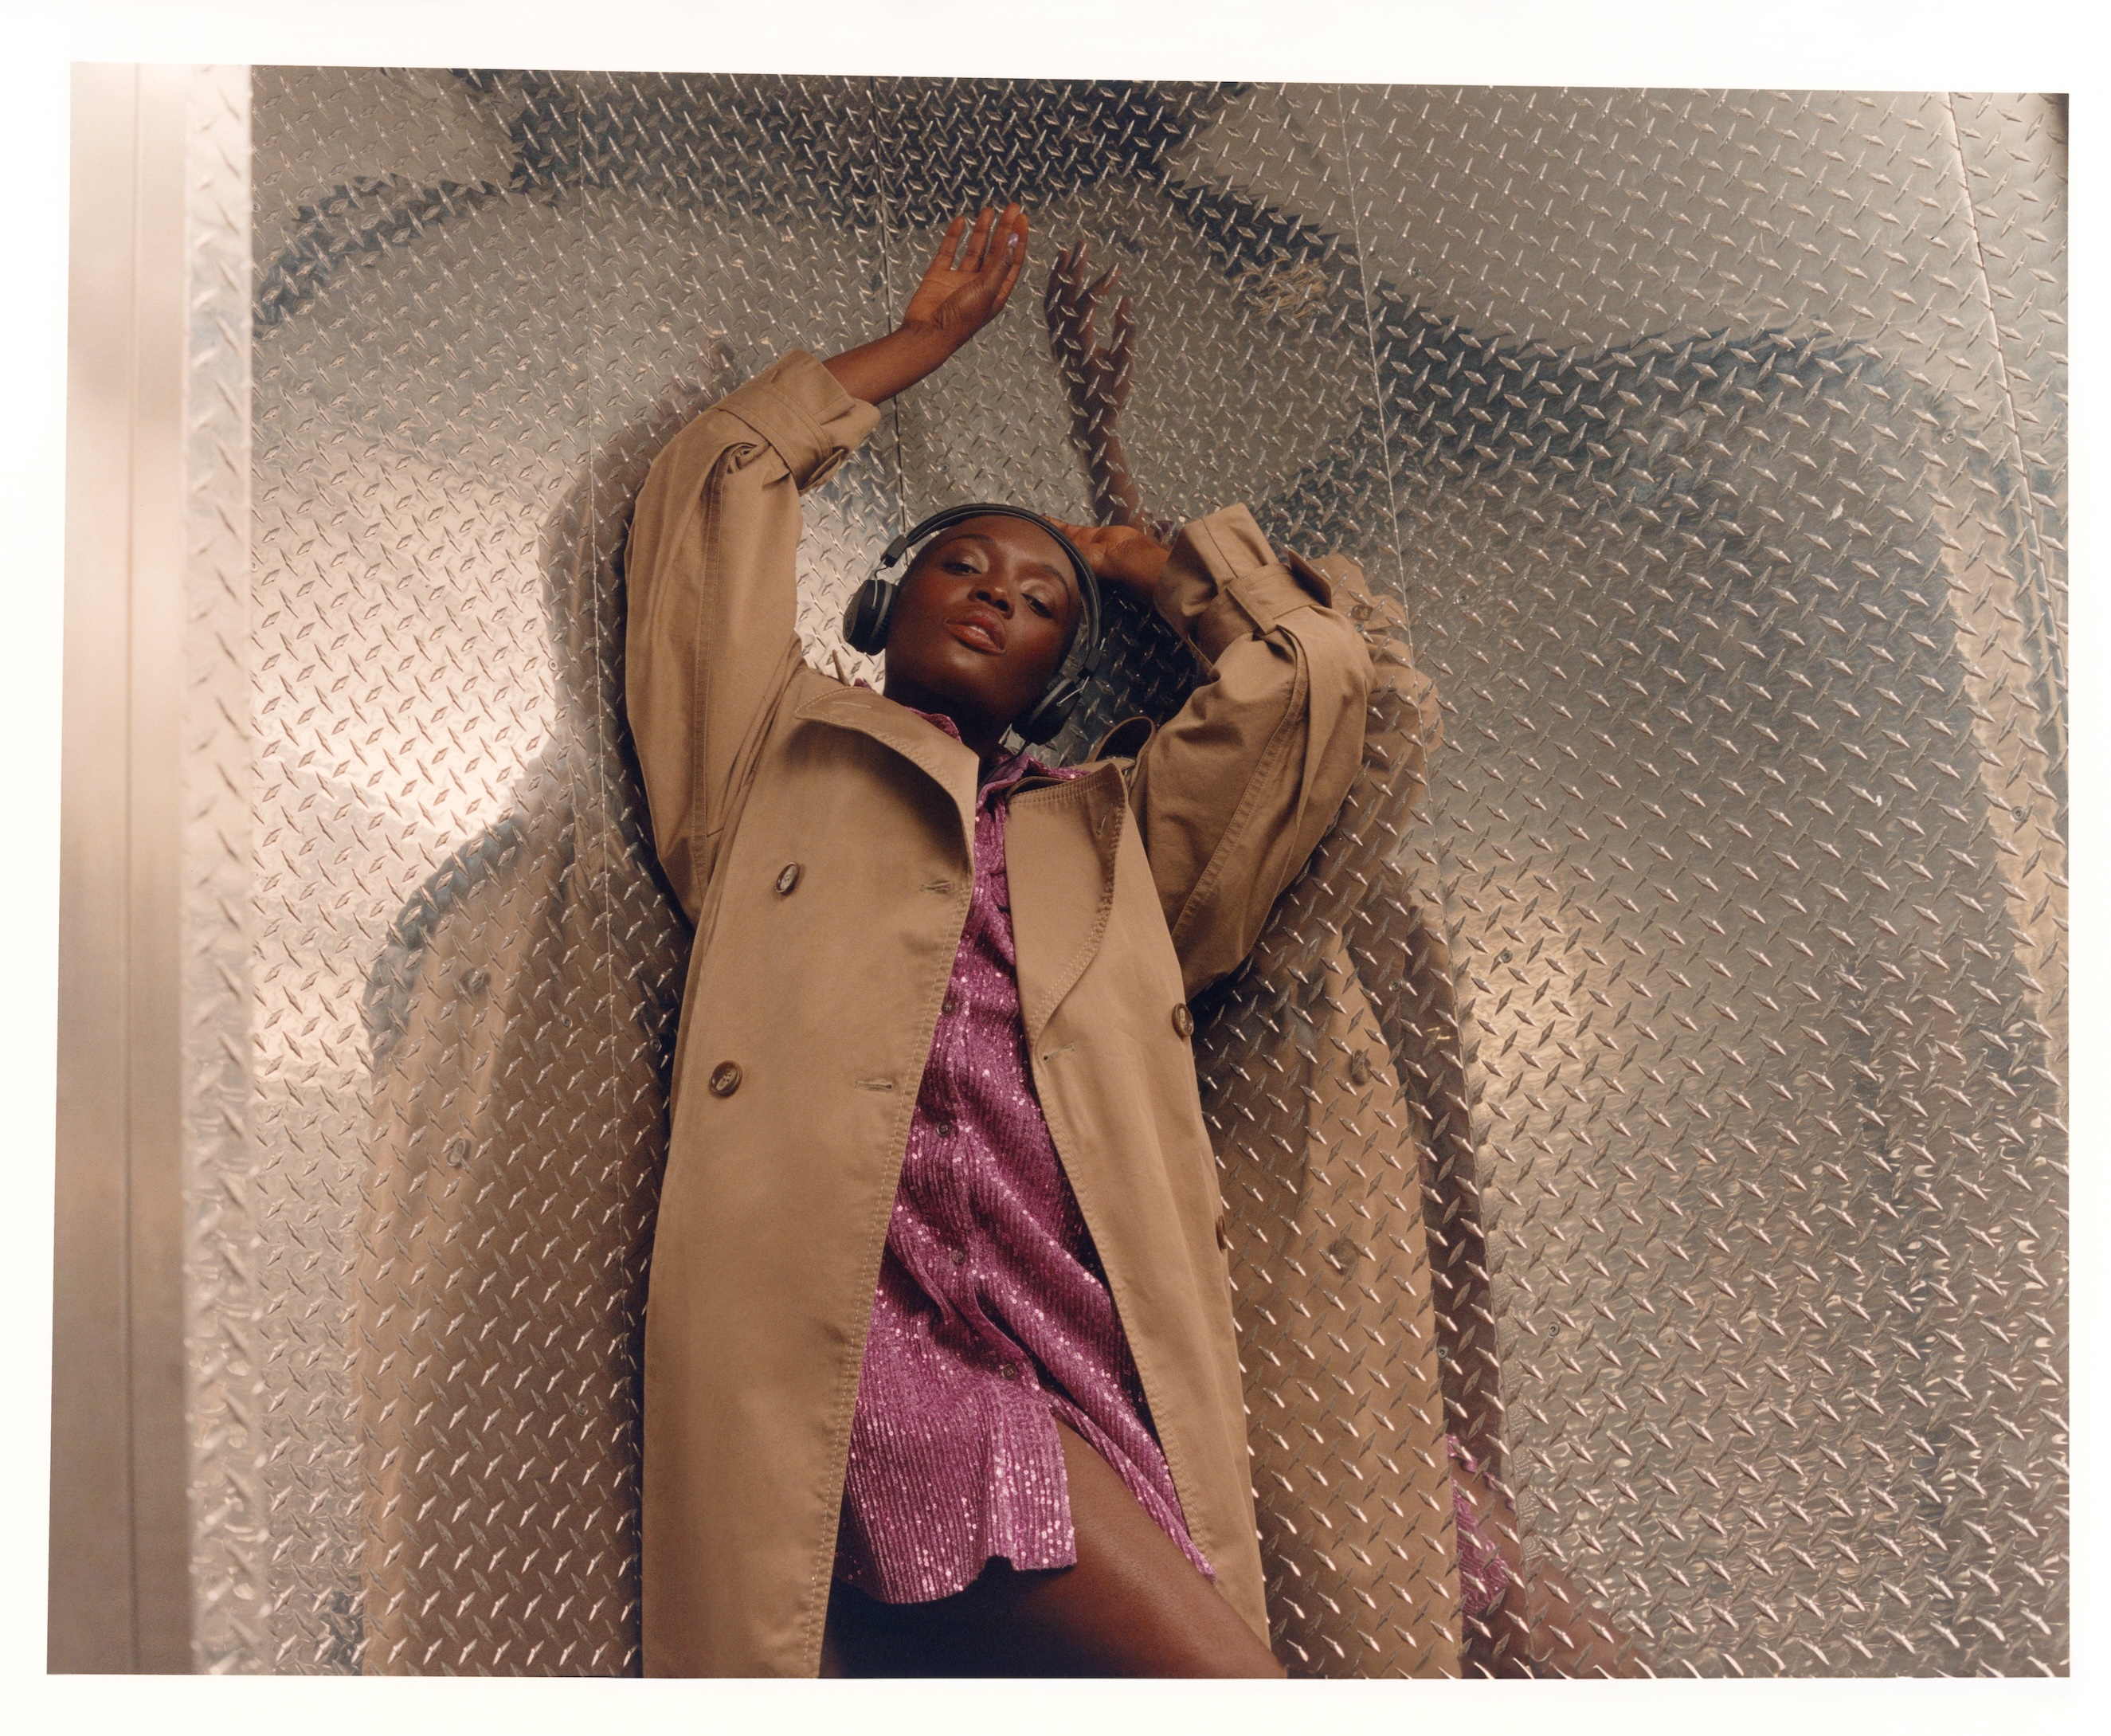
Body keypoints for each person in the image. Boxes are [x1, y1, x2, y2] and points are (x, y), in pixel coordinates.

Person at [621, 202, 1382, 1676]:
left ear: (1056, 675)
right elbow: (717, 485)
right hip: (858, 1336)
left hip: (1084, 1335)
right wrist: (917, 347)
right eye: (963, 565)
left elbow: (1310, 687)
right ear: (883, 599)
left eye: (1039, 602)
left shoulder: (1107, 839)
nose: (997, 596)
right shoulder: (770, 749)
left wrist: (1156, 564)